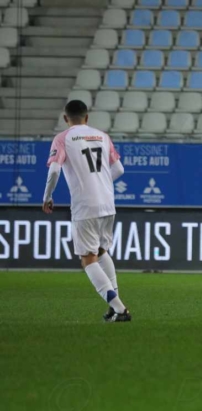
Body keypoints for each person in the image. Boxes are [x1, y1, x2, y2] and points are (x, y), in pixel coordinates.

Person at [42, 100, 131, 322]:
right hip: (108, 204)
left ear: (66, 118)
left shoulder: (63, 138)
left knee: (88, 259)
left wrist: (47, 196)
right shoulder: (102, 136)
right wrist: (100, 181)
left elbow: (54, 171)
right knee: (101, 252)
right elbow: (119, 168)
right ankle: (114, 307)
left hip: (85, 205)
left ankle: (119, 308)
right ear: (87, 117)